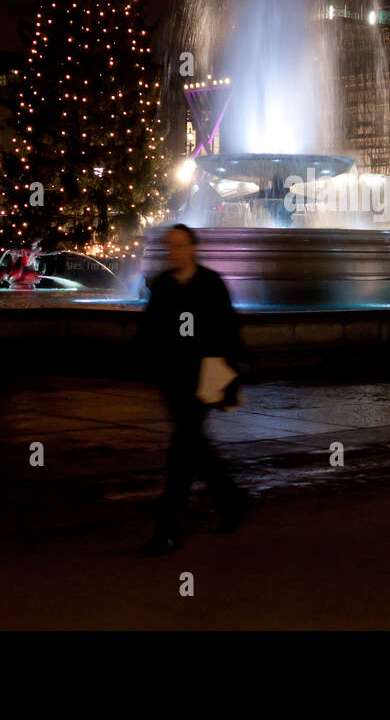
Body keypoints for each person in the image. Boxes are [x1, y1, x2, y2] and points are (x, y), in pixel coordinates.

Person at [137, 224, 247, 556]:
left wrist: (232, 374)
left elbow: (228, 329)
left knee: (181, 453)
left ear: (193, 248)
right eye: (171, 245)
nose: (175, 251)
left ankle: (167, 531)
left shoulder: (210, 284)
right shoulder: (164, 285)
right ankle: (232, 501)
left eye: (180, 245)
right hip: (173, 379)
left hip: (202, 379)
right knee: (195, 446)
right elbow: (149, 331)